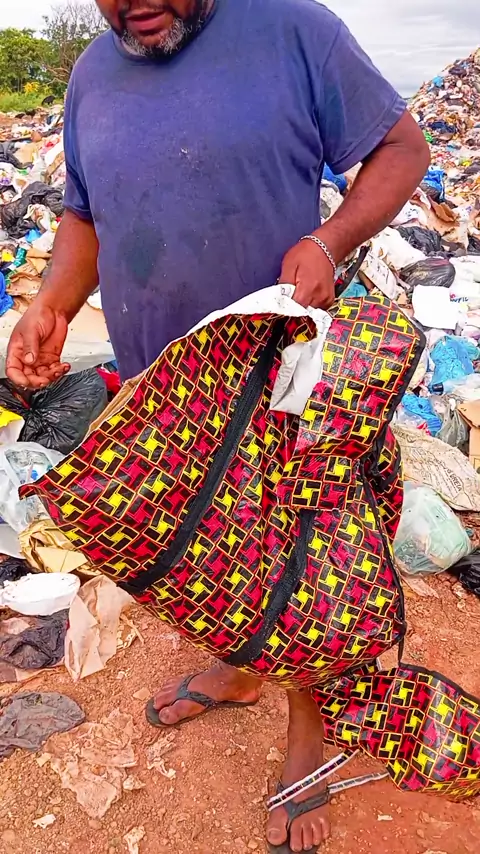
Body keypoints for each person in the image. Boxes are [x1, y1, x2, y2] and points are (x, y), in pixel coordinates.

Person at [6, 1, 430, 850]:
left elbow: (403, 148)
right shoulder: (92, 75)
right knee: (211, 551)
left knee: (304, 558)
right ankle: (241, 668)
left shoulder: (293, 30)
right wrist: (53, 303)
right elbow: (86, 215)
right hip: (164, 393)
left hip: (281, 373)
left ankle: (308, 727)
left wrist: (330, 240)